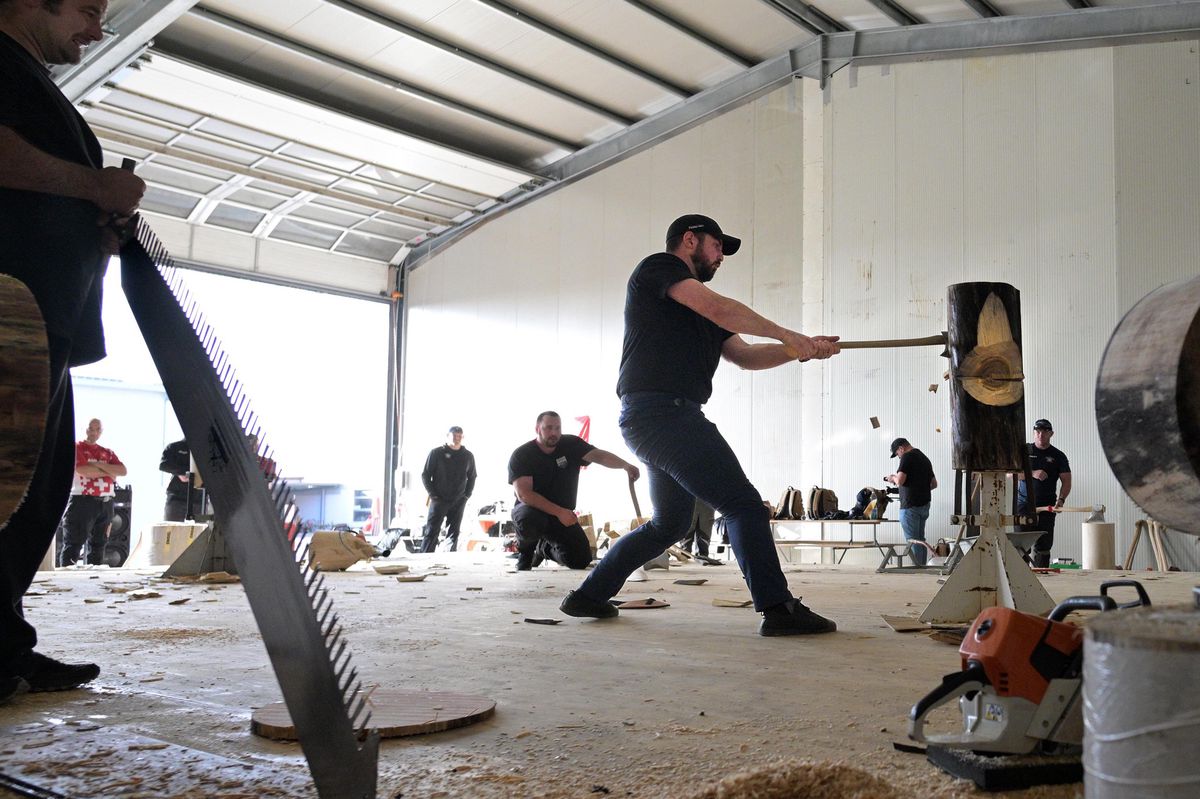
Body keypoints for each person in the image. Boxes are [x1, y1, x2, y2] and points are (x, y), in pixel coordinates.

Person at [559, 214, 841, 635]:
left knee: (669, 524)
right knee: (743, 505)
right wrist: (789, 334)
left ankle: (588, 596)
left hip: (659, 418)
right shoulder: (658, 269)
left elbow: (745, 356)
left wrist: (798, 350)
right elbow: (718, 306)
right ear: (689, 240)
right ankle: (779, 609)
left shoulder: (708, 314)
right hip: (661, 413)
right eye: (717, 245)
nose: (722, 255)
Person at [0, 0, 146, 703]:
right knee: (4, 489)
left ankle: (3, 649)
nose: (96, 31)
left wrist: (97, 227)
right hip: (10, 307)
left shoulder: (32, 78)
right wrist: (93, 185)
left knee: (36, 493)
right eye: (87, 11)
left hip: (45, 314)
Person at [509, 411, 639, 570]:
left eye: (557, 428)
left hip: (562, 514)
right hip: (532, 509)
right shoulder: (523, 455)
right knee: (529, 518)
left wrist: (625, 465)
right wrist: (558, 512)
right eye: (548, 428)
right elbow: (524, 494)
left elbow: (600, 456)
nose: (554, 433)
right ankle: (525, 554)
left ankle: (543, 549)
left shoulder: (570, 444)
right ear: (537, 428)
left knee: (580, 559)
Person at [59, 418, 126, 566]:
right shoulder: (77, 447)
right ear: (85, 429)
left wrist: (95, 465)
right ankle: (67, 579)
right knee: (74, 544)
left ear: (101, 432)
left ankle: (94, 578)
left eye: (97, 429)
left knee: (99, 545)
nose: (94, 432)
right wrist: (108, 471)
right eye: (91, 428)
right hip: (82, 500)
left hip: (105, 502)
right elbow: (83, 471)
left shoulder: (107, 452)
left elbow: (122, 470)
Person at [1017, 419, 1071, 568]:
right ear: (1034, 433)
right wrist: (1033, 473)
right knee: (1022, 545)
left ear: (1051, 434)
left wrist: (1061, 501)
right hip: (1024, 504)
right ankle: (1021, 580)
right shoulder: (1024, 451)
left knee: (1044, 545)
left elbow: (1066, 481)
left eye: (1045, 432)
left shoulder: (1058, 455)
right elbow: (1011, 474)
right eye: (1038, 431)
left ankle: (1043, 577)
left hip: (1047, 506)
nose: (1041, 435)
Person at [420, 425, 477, 553]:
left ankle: (448, 561)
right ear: (447, 436)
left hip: (458, 500)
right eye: (454, 436)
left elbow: (472, 477)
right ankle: (424, 558)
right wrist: (432, 494)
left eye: (459, 436)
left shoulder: (468, 456)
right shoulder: (436, 453)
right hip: (439, 499)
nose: (457, 438)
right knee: (431, 531)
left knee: (453, 533)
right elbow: (425, 475)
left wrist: (467, 495)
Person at [885, 437, 937, 566]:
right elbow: (934, 484)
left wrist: (892, 478)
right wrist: (918, 489)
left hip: (910, 506)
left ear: (901, 448)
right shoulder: (925, 459)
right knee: (920, 540)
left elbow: (900, 481)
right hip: (924, 505)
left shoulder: (907, 457)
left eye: (897, 454)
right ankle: (921, 567)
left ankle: (917, 569)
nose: (898, 456)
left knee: (912, 540)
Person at [159, 438, 191, 522]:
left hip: (199, 500)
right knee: (171, 531)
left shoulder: (207, 450)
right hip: (176, 498)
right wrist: (181, 472)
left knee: (199, 532)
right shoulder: (175, 447)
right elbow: (163, 465)